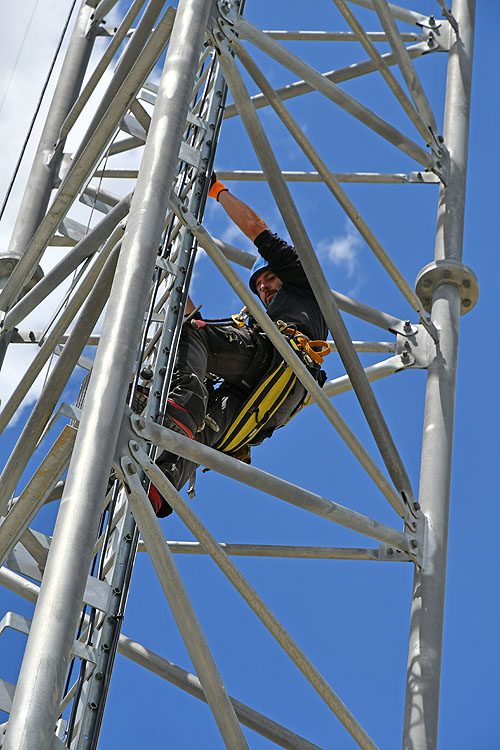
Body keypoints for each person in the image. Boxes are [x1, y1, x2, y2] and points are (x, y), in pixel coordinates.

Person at [148, 176, 328, 517]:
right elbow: (195, 325)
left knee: (195, 341)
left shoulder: (302, 282)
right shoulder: (258, 322)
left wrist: (216, 191)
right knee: (203, 433)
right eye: (259, 285)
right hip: (268, 393)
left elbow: (254, 226)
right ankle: (159, 487)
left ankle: (180, 409)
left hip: (281, 363)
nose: (265, 287)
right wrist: (161, 274)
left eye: (270, 278)